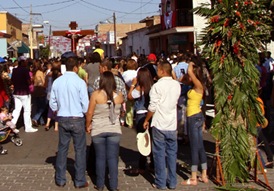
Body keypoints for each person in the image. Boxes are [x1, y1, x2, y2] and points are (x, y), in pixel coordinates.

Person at [49, 55, 89, 188]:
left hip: (63, 117)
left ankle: (60, 179)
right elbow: (85, 105)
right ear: (76, 68)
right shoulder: (80, 82)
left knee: (62, 148)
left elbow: (52, 102)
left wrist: (57, 110)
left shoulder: (57, 82)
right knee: (80, 150)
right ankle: (80, 180)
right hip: (77, 118)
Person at [143, 61, 181, 190]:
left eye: (158, 70)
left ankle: (160, 182)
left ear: (162, 71)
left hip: (159, 122)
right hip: (172, 123)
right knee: (171, 154)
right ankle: (172, 181)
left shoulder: (157, 87)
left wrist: (147, 119)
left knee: (159, 154)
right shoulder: (176, 85)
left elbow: (152, 106)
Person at [86, 71, 123, 191]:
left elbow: (90, 112)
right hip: (114, 129)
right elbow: (121, 112)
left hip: (98, 129)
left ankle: (100, 184)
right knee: (113, 158)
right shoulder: (119, 96)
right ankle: (113, 185)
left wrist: (88, 125)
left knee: (100, 158)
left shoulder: (95, 95)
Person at [182, 55, 208, 186]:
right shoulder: (195, 86)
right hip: (196, 115)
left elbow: (189, 72)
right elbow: (183, 79)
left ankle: (193, 176)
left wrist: (191, 64)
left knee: (194, 146)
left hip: (193, 116)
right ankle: (204, 173)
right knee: (200, 146)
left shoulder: (199, 86)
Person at [128, 67, 154, 174]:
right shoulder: (152, 86)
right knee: (151, 140)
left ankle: (142, 165)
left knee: (142, 140)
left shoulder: (139, 88)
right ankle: (153, 164)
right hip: (150, 114)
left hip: (140, 114)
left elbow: (130, 97)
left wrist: (133, 85)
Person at [11, 56, 38, 133]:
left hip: (16, 92)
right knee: (27, 110)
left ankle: (12, 125)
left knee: (17, 110)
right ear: (22, 62)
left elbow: (12, 80)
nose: (26, 62)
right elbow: (29, 81)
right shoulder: (25, 70)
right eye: (25, 61)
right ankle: (28, 127)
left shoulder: (14, 70)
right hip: (24, 93)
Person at [44, 61, 62, 131]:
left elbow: (45, 85)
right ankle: (56, 126)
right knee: (57, 110)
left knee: (50, 108)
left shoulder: (48, 75)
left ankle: (48, 123)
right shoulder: (60, 75)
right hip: (58, 94)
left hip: (49, 93)